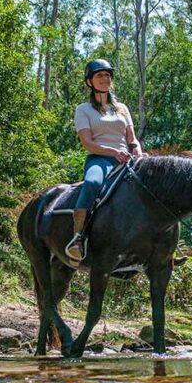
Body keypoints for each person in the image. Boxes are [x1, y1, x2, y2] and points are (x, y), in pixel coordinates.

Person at [66, 59, 145, 261]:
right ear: (89, 82)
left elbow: (132, 138)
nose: (105, 78)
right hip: (100, 159)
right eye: (99, 75)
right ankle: (78, 237)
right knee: (92, 183)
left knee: (156, 187)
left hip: (128, 160)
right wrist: (112, 152)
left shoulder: (122, 109)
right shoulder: (83, 110)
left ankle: (164, 248)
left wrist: (138, 151)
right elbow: (87, 142)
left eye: (107, 75)